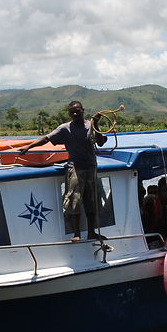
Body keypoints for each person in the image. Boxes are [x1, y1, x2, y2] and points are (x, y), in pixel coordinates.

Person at [20, 101, 107, 240]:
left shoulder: (90, 125)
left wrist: (96, 123)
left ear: (83, 111)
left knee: (91, 201)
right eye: (71, 111)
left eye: (77, 111)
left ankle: (92, 232)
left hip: (90, 167)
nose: (74, 113)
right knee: (74, 200)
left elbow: (101, 142)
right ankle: (77, 233)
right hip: (75, 167)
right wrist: (29, 147)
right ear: (68, 113)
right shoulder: (65, 128)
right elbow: (46, 138)